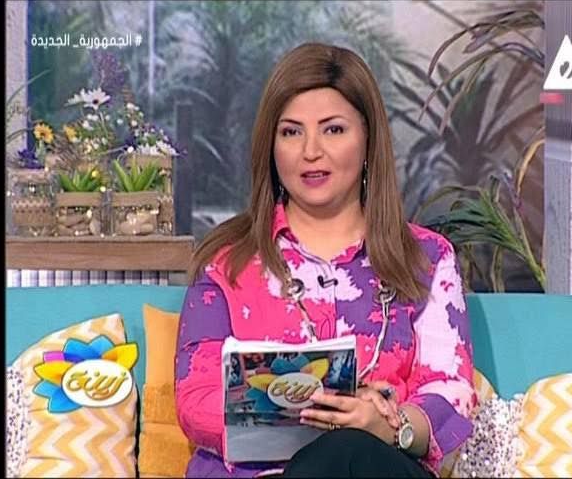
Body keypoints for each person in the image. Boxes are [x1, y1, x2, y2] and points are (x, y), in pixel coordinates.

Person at [175, 42, 476, 478]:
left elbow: (450, 393)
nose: (311, 151)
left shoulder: (427, 258)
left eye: (333, 130)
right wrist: (302, 411)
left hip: (378, 466)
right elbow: (195, 399)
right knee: (332, 452)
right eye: (291, 132)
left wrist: (387, 426)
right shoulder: (226, 263)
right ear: (271, 147)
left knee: (350, 450)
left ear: (368, 139)